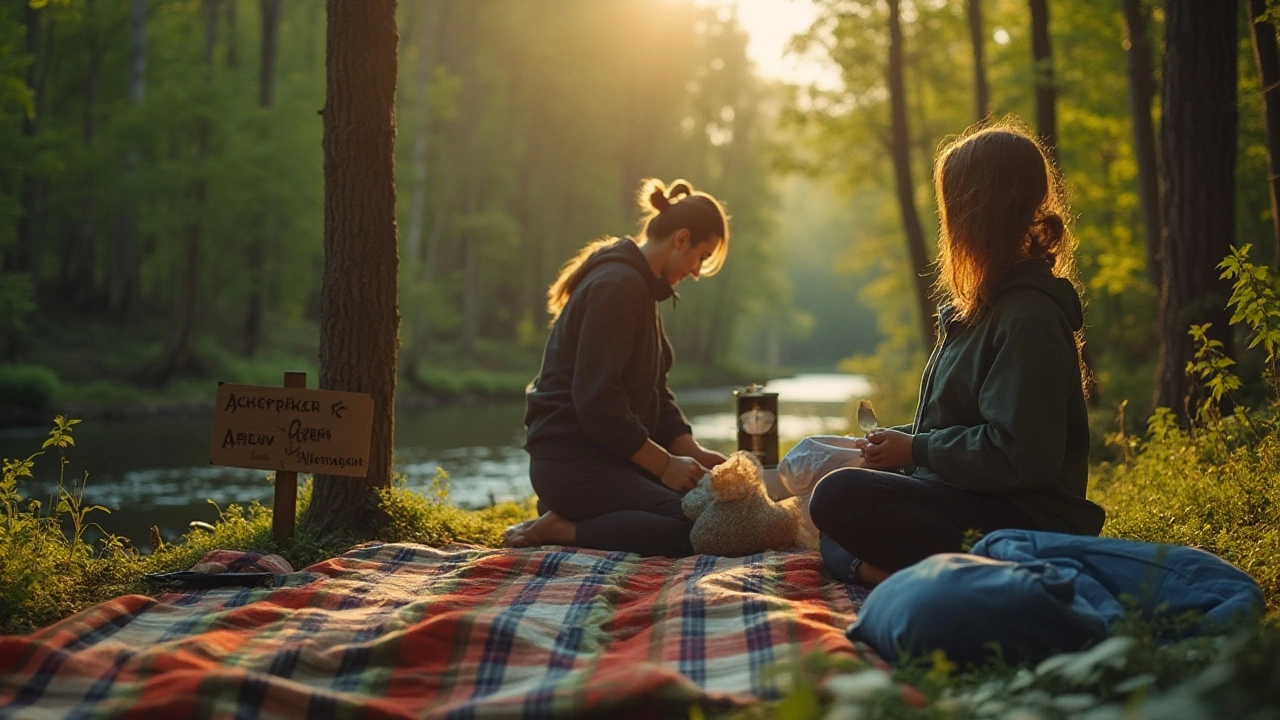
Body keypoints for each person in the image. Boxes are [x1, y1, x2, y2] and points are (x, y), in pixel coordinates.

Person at [809, 121, 1106, 586]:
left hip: (1026, 521)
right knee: (828, 500)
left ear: (981, 212)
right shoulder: (980, 310)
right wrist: (900, 442)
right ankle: (881, 570)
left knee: (837, 498)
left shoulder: (1029, 319)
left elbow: (1022, 455)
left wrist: (918, 447)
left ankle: (883, 571)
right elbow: (961, 426)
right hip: (971, 499)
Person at [504, 178, 731, 557]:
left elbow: (655, 393)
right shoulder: (617, 285)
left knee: (708, 507)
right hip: (570, 461)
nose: (696, 271)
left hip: (610, 457)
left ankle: (581, 513)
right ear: (681, 238)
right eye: (702, 256)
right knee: (694, 524)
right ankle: (565, 526)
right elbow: (597, 402)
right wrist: (663, 466)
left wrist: (692, 451)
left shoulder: (641, 287)